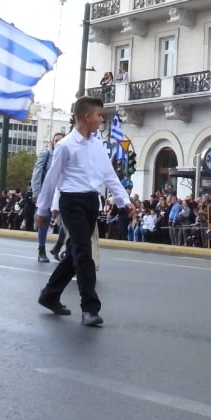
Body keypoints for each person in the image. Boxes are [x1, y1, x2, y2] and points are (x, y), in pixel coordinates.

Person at [34, 96, 130, 326]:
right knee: (83, 253)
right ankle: (90, 307)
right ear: (87, 117)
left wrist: (123, 200)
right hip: (71, 201)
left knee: (77, 251)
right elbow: (51, 178)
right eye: (99, 115)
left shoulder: (97, 143)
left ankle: (49, 294)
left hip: (90, 202)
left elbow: (108, 174)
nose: (101, 119)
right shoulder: (66, 145)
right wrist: (43, 209)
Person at [31, 130, 64, 261]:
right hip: (47, 193)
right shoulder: (46, 154)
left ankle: (57, 247)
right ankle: (41, 251)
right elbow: (37, 173)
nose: (58, 143)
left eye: (61, 141)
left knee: (66, 223)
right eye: (56, 141)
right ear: (52, 142)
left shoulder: (66, 155)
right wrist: (36, 193)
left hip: (61, 193)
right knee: (43, 222)